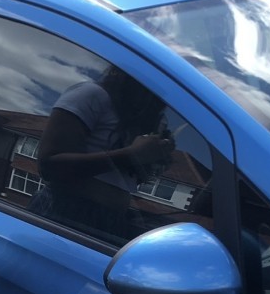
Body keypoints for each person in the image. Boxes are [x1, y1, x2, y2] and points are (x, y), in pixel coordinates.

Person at [29, 66, 173, 243]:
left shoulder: (145, 120)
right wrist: (130, 155)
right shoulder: (91, 95)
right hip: (64, 214)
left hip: (112, 223)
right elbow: (49, 165)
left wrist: (155, 158)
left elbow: (124, 179)